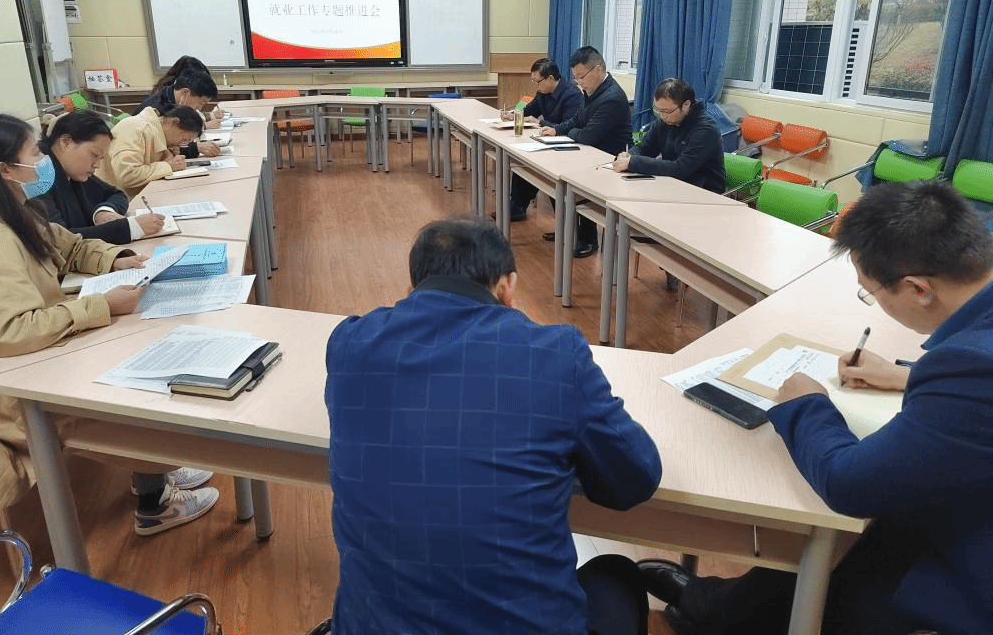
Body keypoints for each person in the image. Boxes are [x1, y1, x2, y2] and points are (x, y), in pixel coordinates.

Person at [640, 180, 993, 635]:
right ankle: (717, 606)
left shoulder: (971, 369)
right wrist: (909, 375)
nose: (875, 304)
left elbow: (849, 483)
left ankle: (716, 612)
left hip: (970, 570)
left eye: (872, 292)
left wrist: (806, 404)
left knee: (835, 541)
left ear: (918, 289)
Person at [325, 217, 663, 635]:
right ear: (507, 286)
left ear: (412, 289)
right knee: (616, 574)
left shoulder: (349, 344)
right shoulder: (555, 354)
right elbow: (637, 478)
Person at [0, 113, 218, 534]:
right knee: (133, 388)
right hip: (5, 382)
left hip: (34, 352)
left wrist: (114, 258)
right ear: (5, 169)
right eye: (34, 153)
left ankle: (155, 473)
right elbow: (10, 331)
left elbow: (69, 246)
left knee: (139, 343)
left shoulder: (15, 210)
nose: (43, 161)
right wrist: (99, 305)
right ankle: (155, 500)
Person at [541, 46, 632, 258]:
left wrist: (571, 132)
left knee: (573, 183)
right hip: (587, 152)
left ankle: (588, 239)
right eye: (576, 77)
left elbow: (588, 135)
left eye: (581, 76)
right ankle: (568, 228)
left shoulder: (612, 97)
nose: (579, 82)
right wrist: (557, 129)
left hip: (606, 160)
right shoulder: (591, 90)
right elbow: (578, 120)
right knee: (554, 177)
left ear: (598, 70)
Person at [33, 110, 166, 244]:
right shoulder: (38, 178)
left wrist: (103, 211)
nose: (97, 165)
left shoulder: (73, 171)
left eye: (101, 158)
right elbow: (61, 240)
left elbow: (117, 194)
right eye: (94, 154)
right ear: (66, 142)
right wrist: (131, 228)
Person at [612, 78, 725, 194]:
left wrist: (633, 162)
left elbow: (680, 169)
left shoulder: (706, 130)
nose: (663, 116)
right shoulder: (665, 122)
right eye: (659, 111)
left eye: (667, 111)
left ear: (686, 105)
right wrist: (629, 155)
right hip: (672, 184)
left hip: (703, 191)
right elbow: (644, 148)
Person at [505, 58, 584, 222]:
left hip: (566, 146)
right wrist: (514, 113)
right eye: (533, 81)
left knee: (549, 175)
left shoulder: (572, 94)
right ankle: (516, 207)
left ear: (550, 78)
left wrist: (541, 122)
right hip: (549, 141)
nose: (536, 85)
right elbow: (530, 109)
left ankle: (565, 226)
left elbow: (568, 127)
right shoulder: (542, 92)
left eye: (537, 81)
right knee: (523, 162)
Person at [96, 104, 205, 199]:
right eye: (184, 139)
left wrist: (170, 155)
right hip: (115, 200)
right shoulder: (135, 130)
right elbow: (128, 175)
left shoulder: (159, 134)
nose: (181, 144)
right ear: (173, 122)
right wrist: (169, 166)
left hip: (140, 195)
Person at [133, 69, 222, 156]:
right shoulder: (158, 109)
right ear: (185, 92)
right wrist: (195, 148)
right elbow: (162, 148)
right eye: (201, 102)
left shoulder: (169, 99)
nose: (199, 108)